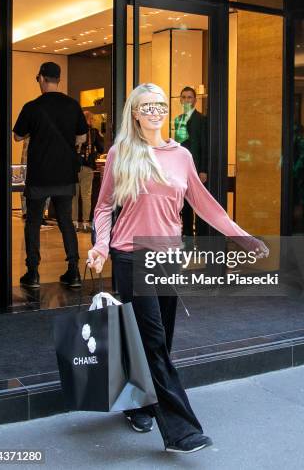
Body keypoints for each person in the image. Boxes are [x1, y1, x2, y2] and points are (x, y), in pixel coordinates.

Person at [87, 83, 268, 454]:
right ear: (134, 113)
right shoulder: (122, 152)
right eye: (146, 106)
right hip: (131, 255)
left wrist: (243, 236)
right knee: (152, 339)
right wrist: (99, 247)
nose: (154, 111)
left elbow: (206, 206)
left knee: (160, 340)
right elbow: (104, 207)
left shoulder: (181, 155)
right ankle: (181, 432)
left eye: (159, 105)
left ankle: (140, 403)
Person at [13, 62, 88, 288]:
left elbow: (17, 136)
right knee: (65, 221)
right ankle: (73, 271)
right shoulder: (73, 105)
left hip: (40, 175)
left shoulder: (32, 106)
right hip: (65, 174)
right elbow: (82, 137)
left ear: (42, 78)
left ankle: (33, 272)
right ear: (58, 79)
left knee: (33, 222)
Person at [174, 86, 208, 238]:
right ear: (180, 100)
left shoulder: (202, 120)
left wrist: (203, 170)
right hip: (181, 170)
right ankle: (186, 236)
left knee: (199, 205)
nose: (186, 100)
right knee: (185, 205)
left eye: (189, 97)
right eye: (184, 97)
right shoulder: (177, 120)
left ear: (195, 100)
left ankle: (201, 239)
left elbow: (205, 146)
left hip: (197, 169)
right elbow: (178, 145)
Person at [72, 110, 104, 233]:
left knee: (74, 195)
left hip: (74, 167)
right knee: (86, 195)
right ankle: (85, 223)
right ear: (90, 120)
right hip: (87, 167)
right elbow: (101, 148)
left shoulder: (73, 130)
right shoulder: (94, 132)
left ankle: (74, 222)